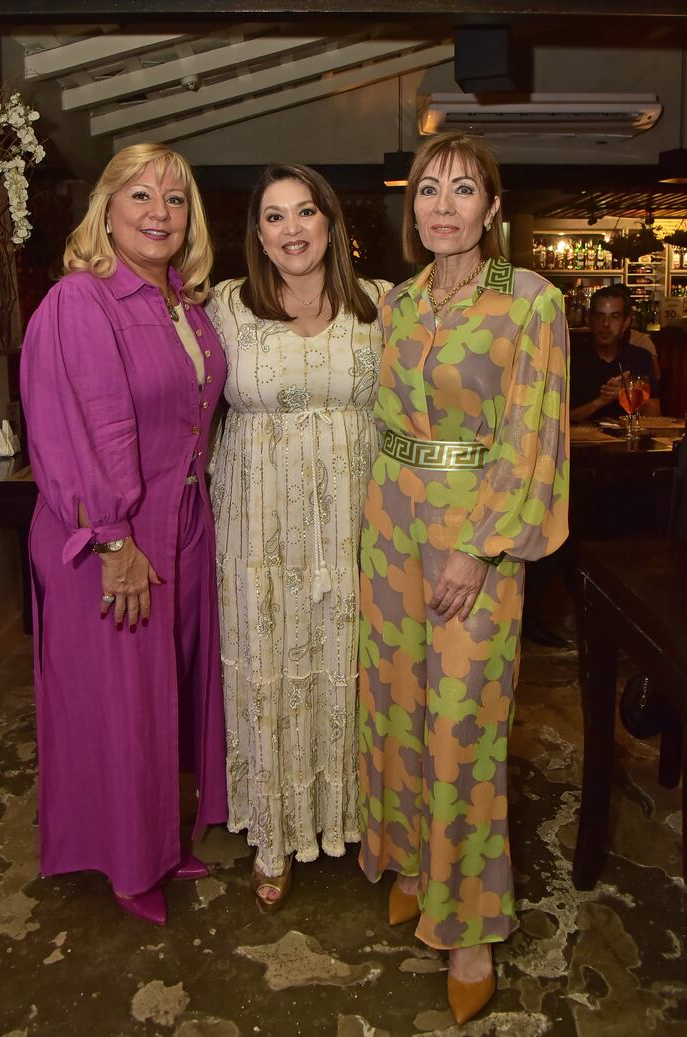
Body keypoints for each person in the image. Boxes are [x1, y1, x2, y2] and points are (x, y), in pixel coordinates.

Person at [358, 132, 569, 1024]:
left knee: (467, 723)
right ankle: (413, 862)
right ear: (413, 208)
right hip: (389, 523)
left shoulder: (530, 302)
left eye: (463, 189)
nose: (443, 204)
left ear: (492, 207)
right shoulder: (399, 303)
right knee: (399, 702)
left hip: (474, 528)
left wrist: (478, 546)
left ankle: (471, 922)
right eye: (429, 189)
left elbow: (533, 435)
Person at [21, 143, 228, 926]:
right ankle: (124, 858)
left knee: (159, 697)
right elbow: (79, 426)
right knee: (115, 703)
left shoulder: (183, 304)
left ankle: (159, 837)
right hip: (109, 534)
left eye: (175, 200)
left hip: (178, 526)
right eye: (140, 196)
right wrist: (111, 540)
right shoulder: (83, 300)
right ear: (105, 208)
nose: (159, 214)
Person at [208, 164, 390, 913]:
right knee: (268, 668)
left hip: (355, 524)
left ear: (332, 223)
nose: (291, 229)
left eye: (305, 211)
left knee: (347, 665)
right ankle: (274, 835)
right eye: (274, 216)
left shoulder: (382, 305)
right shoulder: (224, 307)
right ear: (258, 235)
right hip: (259, 532)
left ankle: (352, 819)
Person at [569, 284, 661, 422]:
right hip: (580, 442)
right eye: (599, 316)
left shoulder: (640, 358)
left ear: (626, 322)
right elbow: (555, 421)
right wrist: (600, 401)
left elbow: (655, 417)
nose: (605, 324)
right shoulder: (571, 359)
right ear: (589, 320)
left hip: (628, 442)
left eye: (614, 317)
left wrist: (628, 393)